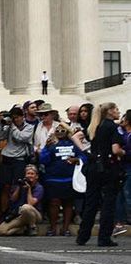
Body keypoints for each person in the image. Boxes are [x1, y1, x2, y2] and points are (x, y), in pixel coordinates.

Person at [76, 102, 125, 247]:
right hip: (108, 168)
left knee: (91, 202)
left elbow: (75, 137)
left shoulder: (94, 126)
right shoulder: (112, 127)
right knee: (108, 203)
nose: (118, 111)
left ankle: (82, 236)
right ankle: (104, 237)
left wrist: (86, 152)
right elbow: (116, 149)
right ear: (109, 111)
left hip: (93, 167)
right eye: (116, 109)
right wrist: (124, 153)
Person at [40, 125, 85, 236]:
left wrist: (76, 159)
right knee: (54, 203)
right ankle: (53, 228)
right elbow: (43, 159)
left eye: (62, 130)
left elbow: (84, 156)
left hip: (69, 178)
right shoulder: (51, 144)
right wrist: (46, 147)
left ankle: (65, 229)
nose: (60, 132)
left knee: (68, 203)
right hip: (53, 179)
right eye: (57, 130)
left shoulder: (73, 143)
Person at [0, 106, 35, 214]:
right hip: (7, 158)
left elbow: (22, 137)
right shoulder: (9, 125)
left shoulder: (29, 127)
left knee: (18, 186)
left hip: (19, 159)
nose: (15, 120)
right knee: (5, 186)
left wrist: (12, 126)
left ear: (23, 117)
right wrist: (2, 124)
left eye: (17, 117)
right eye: (13, 118)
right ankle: (3, 212)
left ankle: (16, 211)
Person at [0, 165, 44, 236]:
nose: (30, 176)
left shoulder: (39, 187)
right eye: (28, 174)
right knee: (1, 231)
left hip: (34, 214)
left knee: (26, 207)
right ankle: (22, 229)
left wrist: (29, 189)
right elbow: (12, 200)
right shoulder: (21, 184)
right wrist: (19, 187)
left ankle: (32, 227)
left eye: (32, 174)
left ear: (36, 176)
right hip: (20, 215)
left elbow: (31, 203)